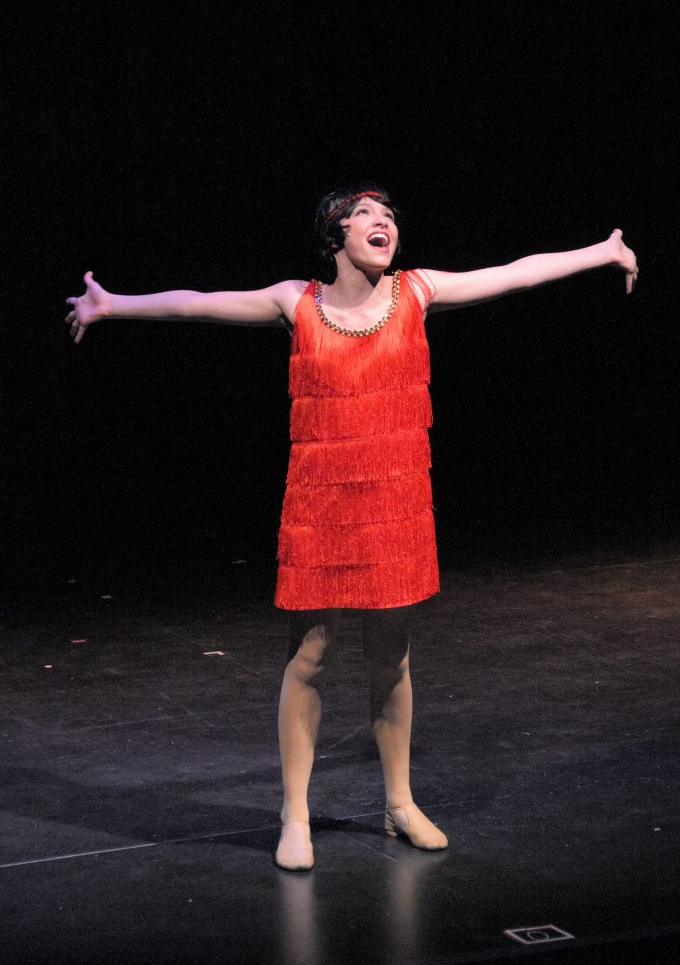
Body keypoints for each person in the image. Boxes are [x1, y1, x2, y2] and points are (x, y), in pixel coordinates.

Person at [66, 185, 638, 870]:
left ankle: (399, 804)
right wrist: (113, 303)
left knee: (391, 655)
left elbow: (514, 272)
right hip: (321, 506)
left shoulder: (417, 292)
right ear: (336, 233)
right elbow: (197, 302)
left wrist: (602, 251)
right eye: (366, 213)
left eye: (389, 215)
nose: (383, 222)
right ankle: (295, 814)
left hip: (395, 501)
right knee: (311, 655)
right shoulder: (296, 302)